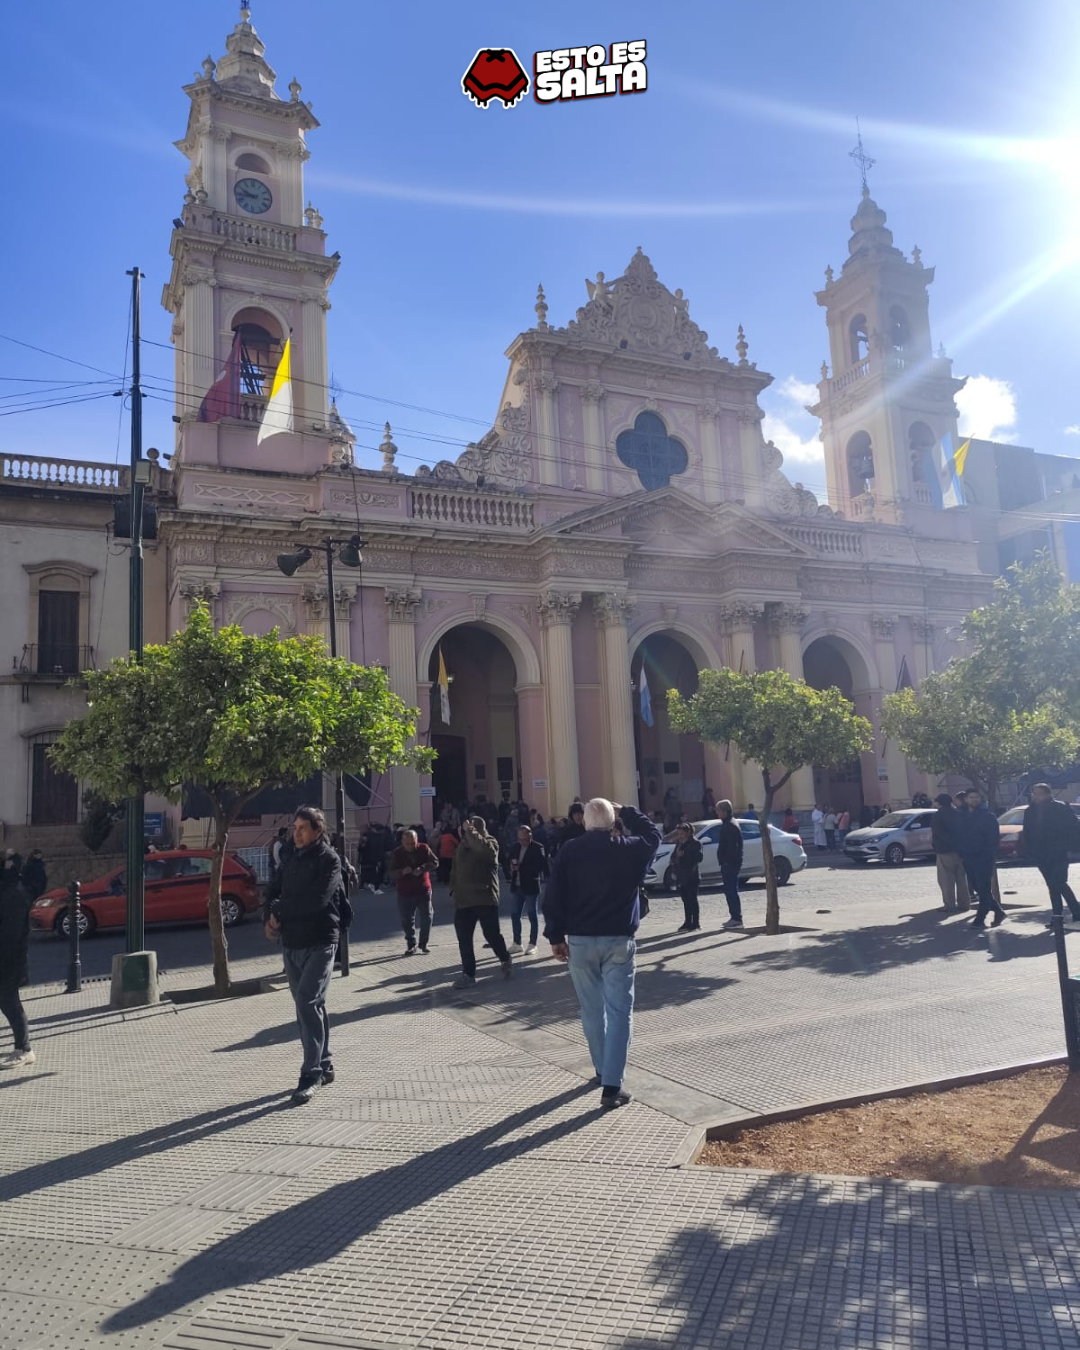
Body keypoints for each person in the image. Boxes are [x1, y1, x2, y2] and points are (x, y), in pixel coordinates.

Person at [543, 799, 661, 1110]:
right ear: (611, 823)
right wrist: (628, 811)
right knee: (620, 1010)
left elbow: (553, 894)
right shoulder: (628, 848)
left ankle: (601, 1068)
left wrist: (555, 936)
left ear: (584, 822)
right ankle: (612, 1083)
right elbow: (654, 835)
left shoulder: (569, 850)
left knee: (591, 1009)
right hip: (618, 939)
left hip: (580, 941)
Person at [265, 806, 343, 1105]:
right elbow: (274, 890)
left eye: (302, 829)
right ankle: (325, 1063)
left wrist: (281, 910)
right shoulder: (290, 857)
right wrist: (270, 916)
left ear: (317, 830)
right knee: (310, 1005)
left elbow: (317, 900)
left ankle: (310, 1074)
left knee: (307, 1001)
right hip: (292, 941)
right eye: (294, 828)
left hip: (320, 940)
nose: (296, 834)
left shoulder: (329, 860)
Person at [450, 816, 512, 988]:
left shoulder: (490, 842)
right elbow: (456, 868)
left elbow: (484, 850)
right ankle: (468, 974)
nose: (464, 832)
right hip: (463, 901)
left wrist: (471, 831)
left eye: (468, 829)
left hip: (484, 898)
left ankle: (505, 957)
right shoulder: (463, 845)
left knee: (491, 935)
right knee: (464, 939)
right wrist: (453, 888)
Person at [1022, 783, 1080, 929]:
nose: (1036, 796)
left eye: (1040, 793)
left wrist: (1070, 848)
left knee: (1059, 882)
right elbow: (1027, 832)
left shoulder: (1060, 807)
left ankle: (1073, 911)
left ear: (1048, 794)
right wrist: (1029, 851)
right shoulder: (1030, 811)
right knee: (1052, 885)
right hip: (1041, 853)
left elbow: (1073, 828)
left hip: (1059, 852)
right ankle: (1059, 916)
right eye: (1034, 793)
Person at [0, 852, 33, 1070]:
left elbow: (10, 933)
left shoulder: (13, 892)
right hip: (8, 955)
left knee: (9, 1001)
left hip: (9, 958)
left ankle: (24, 1049)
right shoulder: (8, 889)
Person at [955, 789, 1004, 929]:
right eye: (971, 797)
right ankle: (998, 911)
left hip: (983, 857)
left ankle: (980, 918)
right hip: (968, 856)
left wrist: (988, 853)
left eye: (977, 797)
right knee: (977, 887)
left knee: (983, 887)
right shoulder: (962, 816)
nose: (974, 800)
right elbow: (957, 835)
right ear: (966, 799)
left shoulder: (988, 816)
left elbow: (993, 838)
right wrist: (961, 852)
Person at [389, 829, 438, 954]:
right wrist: (401, 872)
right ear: (402, 842)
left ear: (417, 840)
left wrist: (422, 868)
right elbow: (391, 872)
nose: (411, 846)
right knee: (407, 919)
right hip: (405, 891)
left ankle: (423, 943)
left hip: (423, 889)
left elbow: (435, 862)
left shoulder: (424, 848)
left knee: (427, 917)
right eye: (408, 844)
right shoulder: (397, 853)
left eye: (413, 843)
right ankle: (411, 944)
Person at [507, 824, 548, 954]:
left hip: (531, 886)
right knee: (515, 915)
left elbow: (539, 867)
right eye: (520, 839)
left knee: (532, 915)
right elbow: (509, 860)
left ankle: (532, 944)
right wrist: (511, 867)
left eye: (524, 839)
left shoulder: (538, 847)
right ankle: (517, 943)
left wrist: (521, 868)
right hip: (517, 885)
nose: (522, 841)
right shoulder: (515, 847)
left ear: (530, 836)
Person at [931, 793, 971, 913]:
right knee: (961, 879)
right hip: (960, 850)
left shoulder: (938, 815)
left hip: (945, 851)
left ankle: (949, 905)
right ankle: (964, 903)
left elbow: (938, 833)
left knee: (946, 879)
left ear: (939, 802)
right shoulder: (958, 813)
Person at [715, 799, 744, 929]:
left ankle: (736, 918)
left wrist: (726, 861)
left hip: (730, 863)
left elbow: (733, 847)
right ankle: (734, 917)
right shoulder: (729, 823)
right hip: (730, 863)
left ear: (725, 811)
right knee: (729, 890)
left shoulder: (730, 825)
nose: (717, 813)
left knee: (731, 890)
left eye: (719, 811)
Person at [672, 824, 703, 932]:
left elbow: (699, 858)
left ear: (688, 832)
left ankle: (696, 923)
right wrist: (677, 855)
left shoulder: (695, 843)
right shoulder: (680, 843)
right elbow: (673, 856)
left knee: (692, 899)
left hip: (692, 875)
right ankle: (687, 922)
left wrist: (684, 855)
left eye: (682, 833)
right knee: (685, 900)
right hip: (682, 875)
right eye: (679, 833)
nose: (680, 835)